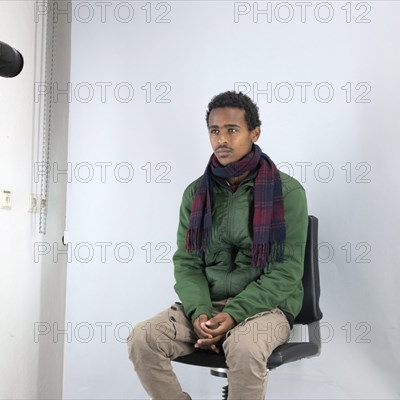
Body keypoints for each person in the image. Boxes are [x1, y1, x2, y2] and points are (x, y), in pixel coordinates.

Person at [127, 91, 308, 400]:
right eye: (214, 130)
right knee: (143, 338)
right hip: (207, 307)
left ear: (254, 132)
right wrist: (199, 313)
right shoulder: (196, 193)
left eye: (232, 130)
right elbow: (188, 263)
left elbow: (286, 272)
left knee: (245, 347)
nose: (222, 139)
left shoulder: (287, 192)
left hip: (266, 308)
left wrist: (235, 314)